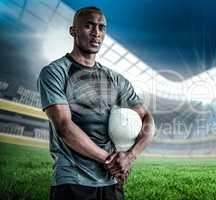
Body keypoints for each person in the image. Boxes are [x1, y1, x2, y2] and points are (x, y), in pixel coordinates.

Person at [37, 6, 155, 200]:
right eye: (89, 26)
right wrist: (112, 161)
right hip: (73, 180)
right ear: (73, 31)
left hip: (111, 181)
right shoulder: (55, 72)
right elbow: (65, 127)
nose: (96, 33)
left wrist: (130, 156)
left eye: (101, 28)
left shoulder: (116, 79)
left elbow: (145, 117)